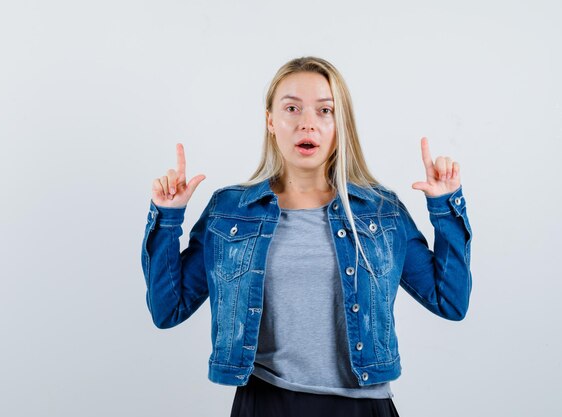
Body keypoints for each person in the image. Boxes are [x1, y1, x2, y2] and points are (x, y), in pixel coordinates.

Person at [141, 56, 472, 417]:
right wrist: (167, 218)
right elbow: (167, 309)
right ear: (270, 121)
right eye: (292, 108)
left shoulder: (381, 210)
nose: (307, 124)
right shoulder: (229, 210)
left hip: (363, 407)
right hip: (265, 402)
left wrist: (444, 208)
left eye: (324, 110)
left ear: (339, 122)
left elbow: (450, 301)